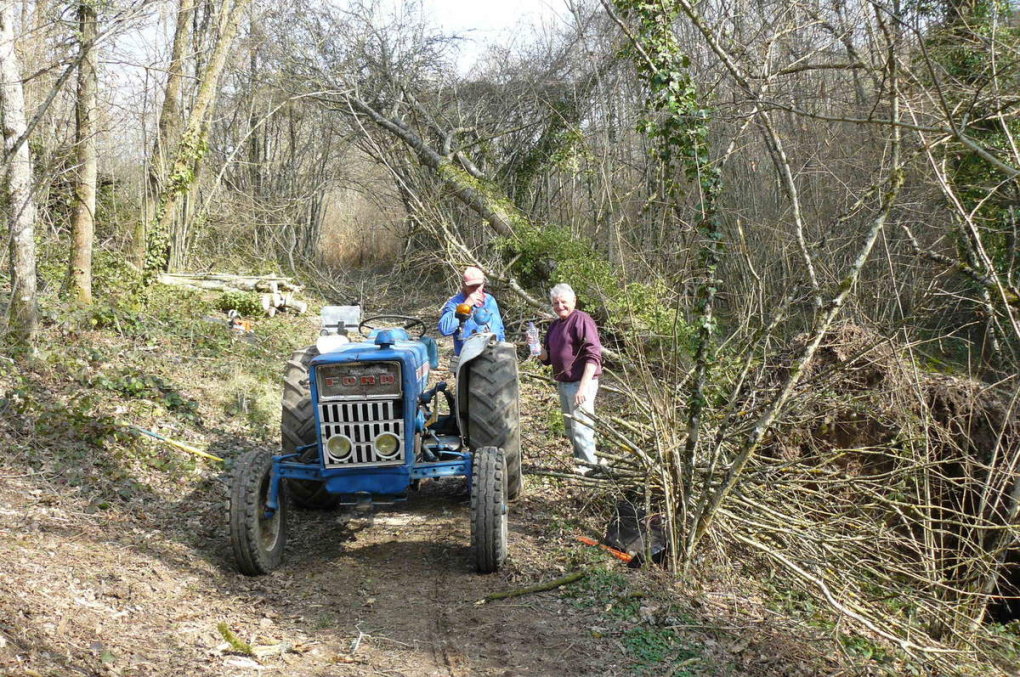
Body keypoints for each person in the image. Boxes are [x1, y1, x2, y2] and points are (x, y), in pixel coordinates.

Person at [536, 283, 603, 474]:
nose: (560, 306)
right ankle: (581, 464)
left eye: (563, 302)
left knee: (582, 426)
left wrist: (583, 388)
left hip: (582, 382)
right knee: (570, 427)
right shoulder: (555, 325)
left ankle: (591, 467)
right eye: (555, 303)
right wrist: (535, 347)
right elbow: (547, 358)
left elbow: (593, 356)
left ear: (573, 301)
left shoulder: (582, 320)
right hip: (563, 382)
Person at [438, 266, 505, 355]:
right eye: (471, 286)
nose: (476, 289)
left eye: (478, 285)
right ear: (464, 285)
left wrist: (503, 348)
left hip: (493, 353)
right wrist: (466, 305)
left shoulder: (490, 300)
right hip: (468, 357)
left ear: (483, 283)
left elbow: (499, 328)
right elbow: (444, 329)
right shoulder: (455, 303)